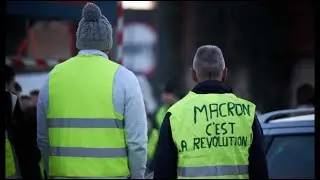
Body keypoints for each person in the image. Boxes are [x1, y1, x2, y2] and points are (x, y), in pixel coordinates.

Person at [37, 2, 147, 179]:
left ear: (79, 42)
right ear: (108, 45)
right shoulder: (124, 79)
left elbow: (42, 139)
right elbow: (137, 143)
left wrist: (51, 172)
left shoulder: (53, 78)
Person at [153, 45, 269, 179]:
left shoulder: (175, 115)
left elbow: (163, 172)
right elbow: (260, 171)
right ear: (224, 73)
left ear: (193, 75)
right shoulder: (246, 113)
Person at [147, 80, 179, 170]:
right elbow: (154, 137)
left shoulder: (182, 111)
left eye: (167, 93)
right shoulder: (159, 112)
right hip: (157, 159)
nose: (163, 96)